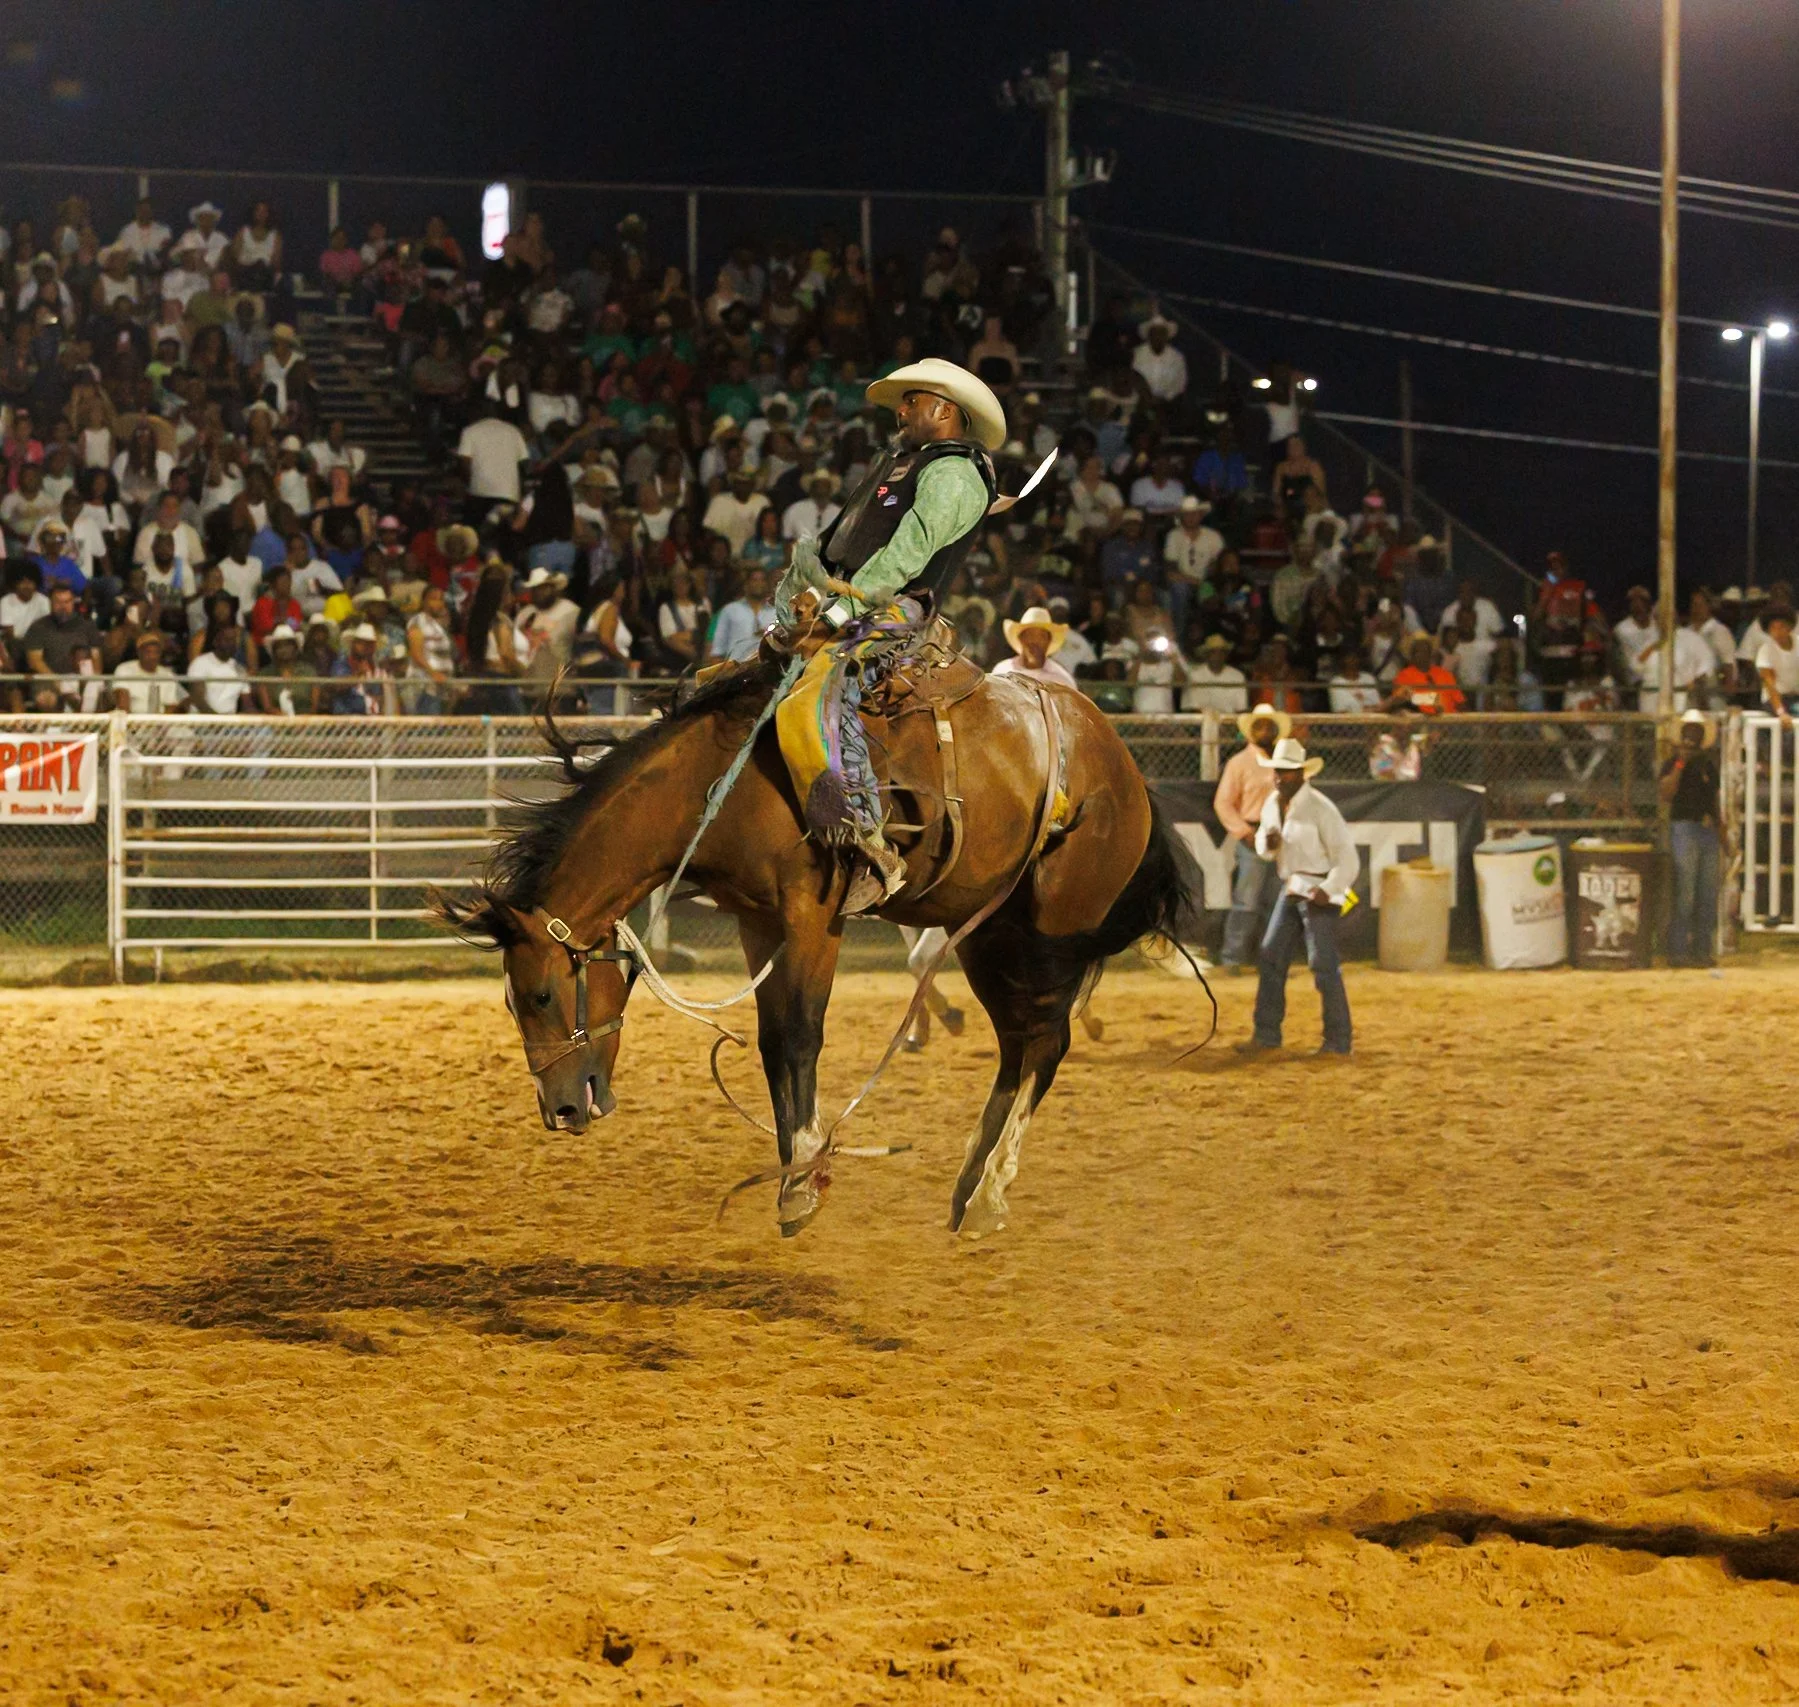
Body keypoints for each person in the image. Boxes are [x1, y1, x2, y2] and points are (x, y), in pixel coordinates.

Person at [1236, 737, 1358, 1058]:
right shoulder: (1272, 804)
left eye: (1287, 772)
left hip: (1318, 892)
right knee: (1271, 956)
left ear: (1302, 773)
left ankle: (1338, 1041)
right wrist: (1269, 842)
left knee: (1324, 965)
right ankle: (1266, 1035)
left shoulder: (1321, 808)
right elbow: (1264, 847)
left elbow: (1348, 860)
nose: (1280, 777)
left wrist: (1329, 890)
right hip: (1292, 888)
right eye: (1277, 771)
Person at [1214, 703, 1289, 971]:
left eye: (1269, 725)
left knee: (1277, 901)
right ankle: (1232, 958)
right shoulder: (1239, 763)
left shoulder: (1285, 761)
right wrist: (1245, 832)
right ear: (1250, 731)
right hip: (1253, 834)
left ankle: (1271, 959)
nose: (1265, 730)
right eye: (1260, 725)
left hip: (1281, 836)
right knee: (1247, 900)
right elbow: (1223, 803)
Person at [1661, 708, 1720, 968]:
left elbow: (1714, 802)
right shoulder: (1673, 762)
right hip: (1685, 828)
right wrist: (1680, 764)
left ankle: (1700, 950)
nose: (1692, 736)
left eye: (1696, 731)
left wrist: (1722, 832)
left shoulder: (1708, 764)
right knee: (1686, 891)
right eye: (1689, 731)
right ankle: (1679, 950)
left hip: (1705, 830)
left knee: (1705, 893)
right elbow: (1667, 793)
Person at [992, 606, 1078, 689]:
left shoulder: (1062, 681)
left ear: (1049, 641)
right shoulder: (1002, 671)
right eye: (1029, 635)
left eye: (1041, 637)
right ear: (1021, 639)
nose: (1034, 642)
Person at [707, 564, 777, 662]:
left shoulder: (776, 612)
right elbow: (717, 649)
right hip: (735, 667)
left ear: (767, 584)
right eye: (754, 580)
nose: (759, 583)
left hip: (768, 668)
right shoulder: (730, 610)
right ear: (746, 584)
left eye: (763, 580)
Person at [1755, 604, 1799, 725]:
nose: (1777, 632)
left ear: (1790, 627)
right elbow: (1770, 684)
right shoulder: (1765, 651)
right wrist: (1781, 712)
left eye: (1781, 627)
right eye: (1773, 628)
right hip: (1774, 700)